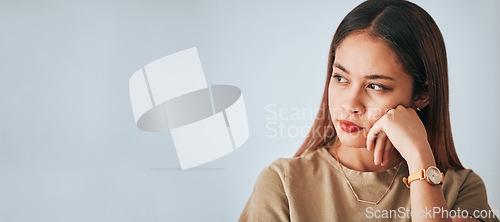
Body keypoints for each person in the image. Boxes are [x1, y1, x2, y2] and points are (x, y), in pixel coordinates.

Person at [238, 0, 499, 221]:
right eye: (341, 78)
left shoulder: (462, 189)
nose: (351, 104)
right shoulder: (284, 183)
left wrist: (420, 159)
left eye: (375, 85)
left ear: (422, 95)